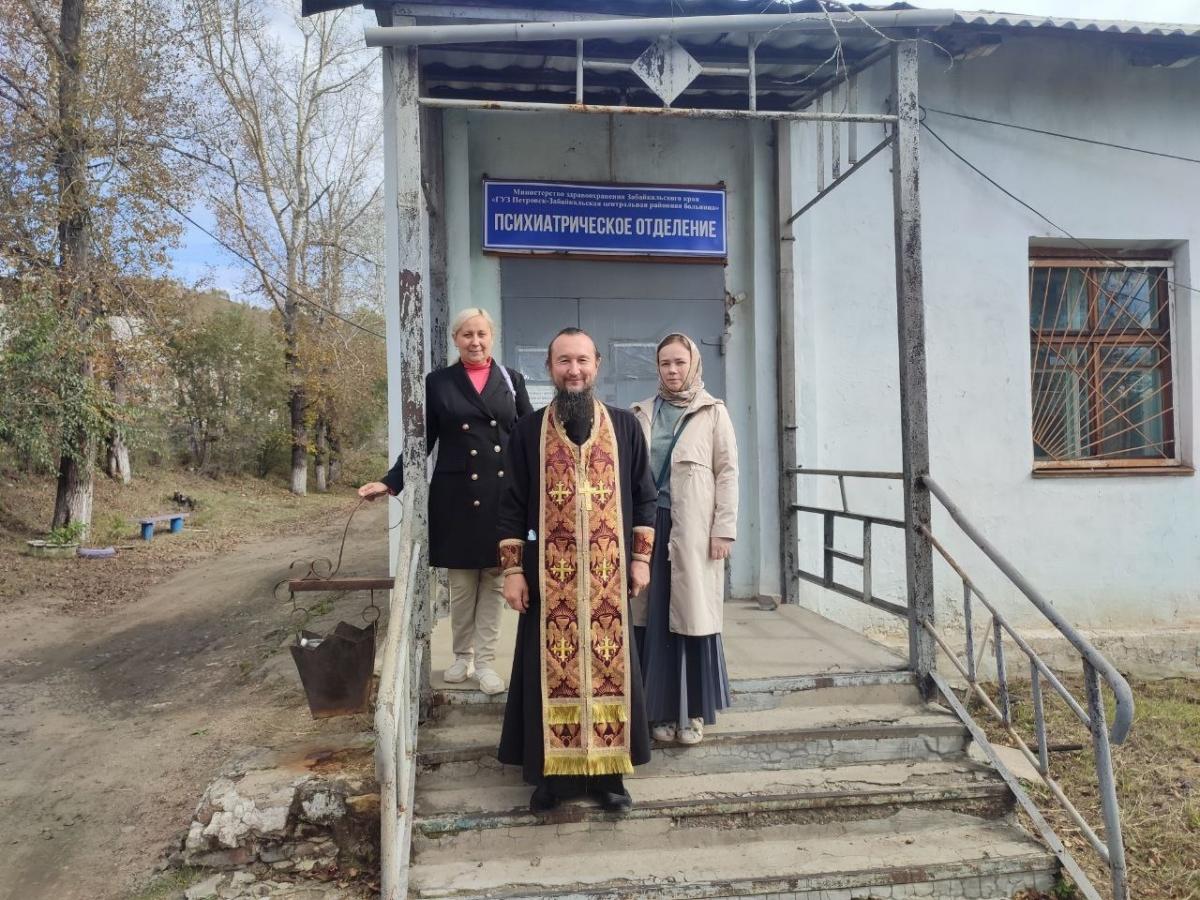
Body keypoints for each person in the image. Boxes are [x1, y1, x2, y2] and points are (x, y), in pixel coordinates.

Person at [496, 328, 657, 814]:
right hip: (550, 586)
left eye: (582, 360)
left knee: (613, 672)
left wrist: (641, 558)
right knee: (546, 673)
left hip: (608, 585)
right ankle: (553, 779)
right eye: (564, 361)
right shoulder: (528, 432)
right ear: (550, 367)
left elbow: (646, 496)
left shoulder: (626, 428)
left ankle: (610, 777)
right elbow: (511, 505)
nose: (574, 370)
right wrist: (512, 571)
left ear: (597, 365)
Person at [360, 308, 532, 695]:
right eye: (467, 334)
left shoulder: (511, 379)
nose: (475, 342)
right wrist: (391, 483)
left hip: (500, 496)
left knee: (492, 581)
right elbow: (422, 442)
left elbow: (528, 435)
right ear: (456, 339)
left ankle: (486, 662)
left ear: (492, 337)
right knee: (460, 583)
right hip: (456, 496)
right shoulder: (437, 383)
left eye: (482, 334)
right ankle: (462, 656)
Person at [631, 332, 738, 746]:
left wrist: (723, 529)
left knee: (692, 618)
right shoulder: (640, 412)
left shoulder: (713, 412)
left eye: (679, 362)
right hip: (648, 529)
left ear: (693, 364)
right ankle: (657, 712)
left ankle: (691, 714)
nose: (672, 371)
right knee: (652, 617)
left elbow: (728, 472)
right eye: (665, 364)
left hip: (694, 529)